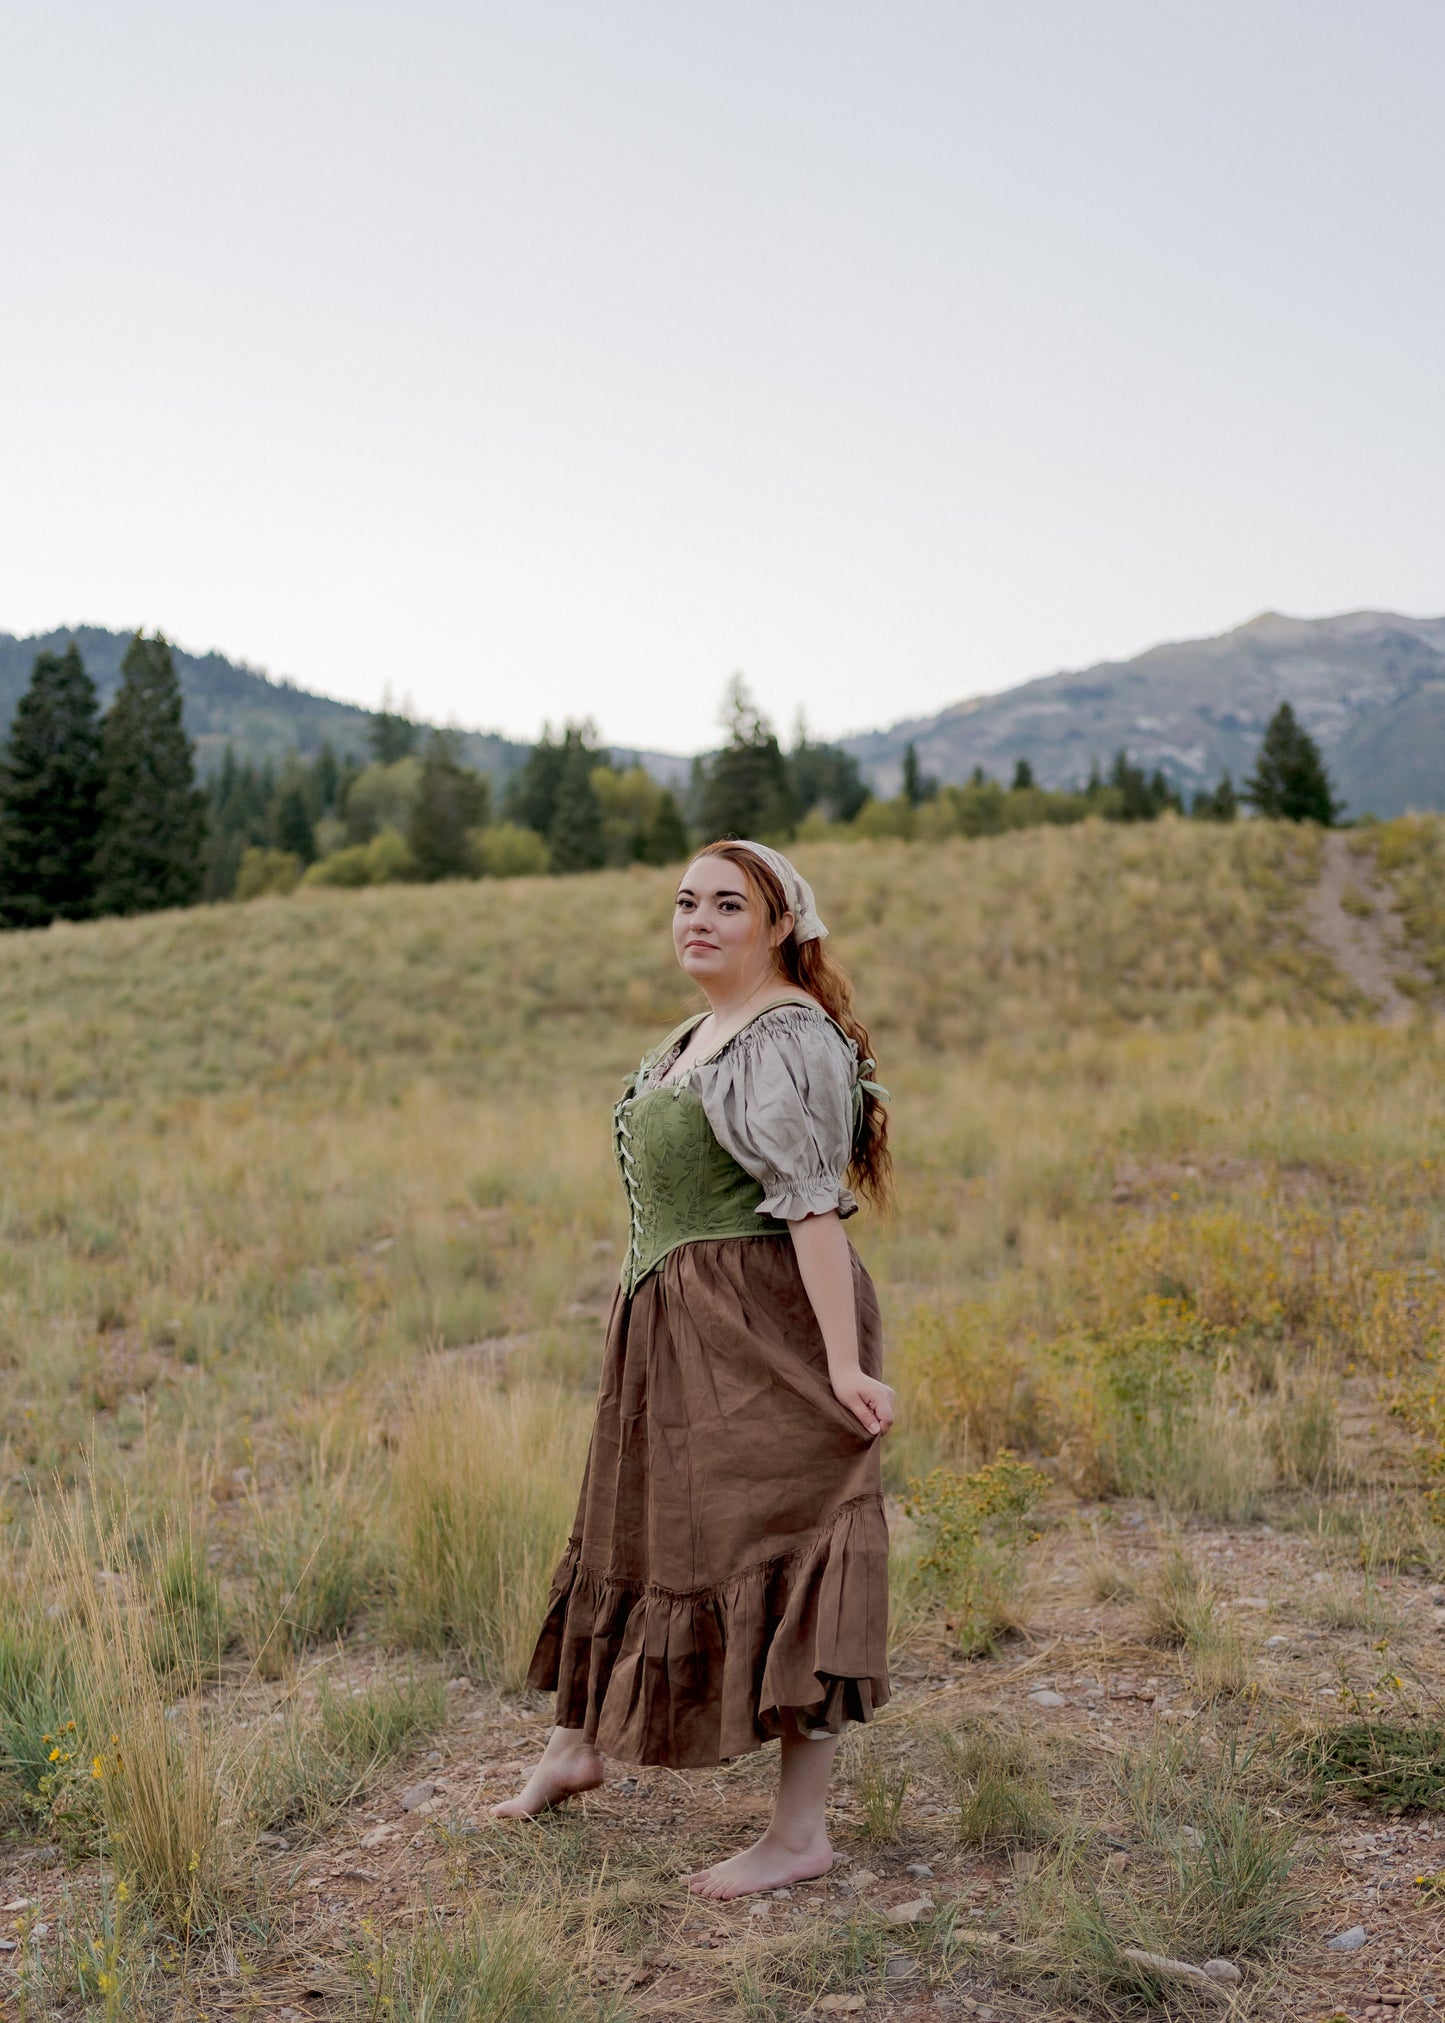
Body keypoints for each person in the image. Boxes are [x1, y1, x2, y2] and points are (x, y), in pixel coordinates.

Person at [494, 838, 895, 1900]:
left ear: (778, 926)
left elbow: (811, 1208)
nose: (698, 920)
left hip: (762, 1328)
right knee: (633, 1521)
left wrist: (843, 1368)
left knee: (788, 1540)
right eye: (684, 902)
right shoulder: (695, 1032)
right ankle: (572, 1745)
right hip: (670, 1322)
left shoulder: (786, 1036)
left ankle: (798, 1833)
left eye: (727, 904)